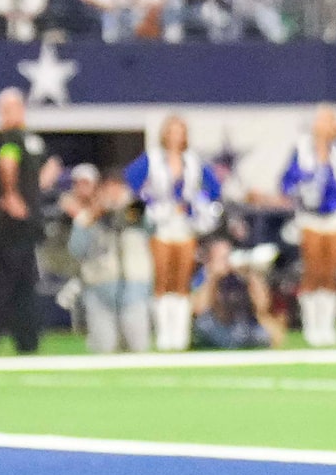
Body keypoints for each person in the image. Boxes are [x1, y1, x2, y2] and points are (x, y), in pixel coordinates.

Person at [124, 114, 219, 352]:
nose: (176, 136)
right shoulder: (153, 159)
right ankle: (165, 333)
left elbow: (215, 188)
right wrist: (151, 202)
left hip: (185, 226)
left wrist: (197, 204)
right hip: (162, 225)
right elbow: (130, 181)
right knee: (163, 279)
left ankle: (180, 333)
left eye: (180, 131)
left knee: (182, 280)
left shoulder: (194, 161)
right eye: (172, 131)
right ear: (165, 134)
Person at [277, 104, 336, 347]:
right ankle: (311, 325)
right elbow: (286, 181)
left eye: (330, 120)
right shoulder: (302, 148)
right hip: (310, 216)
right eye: (322, 120)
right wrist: (303, 187)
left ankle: (328, 325)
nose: (325, 125)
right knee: (313, 270)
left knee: (331, 272)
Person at [0, 87, 44, 355]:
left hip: (11, 225)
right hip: (28, 223)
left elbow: (7, 165)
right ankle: (26, 341)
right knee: (24, 285)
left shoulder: (11, 139)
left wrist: (9, 194)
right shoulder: (32, 140)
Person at [63, 167, 151, 353]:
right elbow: (76, 249)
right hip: (99, 285)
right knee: (104, 346)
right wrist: (94, 214)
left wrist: (118, 207)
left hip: (133, 284)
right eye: (108, 189)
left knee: (137, 345)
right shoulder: (89, 215)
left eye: (117, 188)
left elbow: (145, 224)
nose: (112, 193)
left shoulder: (137, 208)